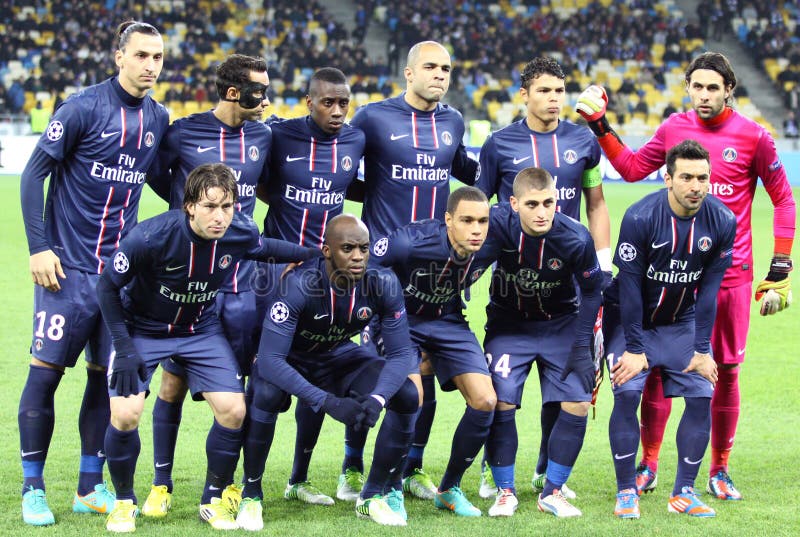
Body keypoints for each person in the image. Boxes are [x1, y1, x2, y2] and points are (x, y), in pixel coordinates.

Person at [577, 51, 796, 500]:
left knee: (725, 372)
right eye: (696, 86)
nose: (704, 95)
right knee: (656, 370)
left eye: (713, 87)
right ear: (688, 88)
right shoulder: (675, 128)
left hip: (728, 277)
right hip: (669, 280)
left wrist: (781, 265)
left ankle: (719, 469)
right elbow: (634, 169)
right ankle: (650, 464)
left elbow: (784, 200)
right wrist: (601, 126)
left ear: (729, 90)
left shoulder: (755, 137)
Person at [96, 163, 320, 532]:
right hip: (142, 329)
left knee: (234, 410)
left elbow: (265, 248)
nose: (220, 217)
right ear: (189, 206)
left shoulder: (238, 232)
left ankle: (212, 499)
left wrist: (317, 255)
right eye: (210, 206)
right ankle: (123, 502)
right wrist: (122, 346)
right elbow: (106, 286)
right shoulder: (150, 237)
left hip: (200, 329)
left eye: (227, 206)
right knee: (125, 414)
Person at [17, 21, 169, 527]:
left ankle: (89, 486)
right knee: (46, 372)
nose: (151, 65)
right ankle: (33, 488)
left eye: (159, 57)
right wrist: (40, 247)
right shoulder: (82, 108)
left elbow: (165, 183)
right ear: (119, 56)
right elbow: (33, 173)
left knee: (107, 378)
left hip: (118, 279)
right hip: (67, 270)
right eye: (142, 55)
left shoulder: (158, 118)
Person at [141, 53, 273, 517]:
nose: (267, 96)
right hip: (189, 282)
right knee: (172, 384)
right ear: (234, 91)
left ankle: (223, 485)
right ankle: (161, 482)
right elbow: (159, 178)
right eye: (260, 87)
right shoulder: (183, 132)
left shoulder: (263, 134)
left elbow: (270, 187)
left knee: (241, 390)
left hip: (243, 286)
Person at [475, 55, 611, 500]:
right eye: (545, 91)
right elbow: (484, 208)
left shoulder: (584, 141)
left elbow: (596, 203)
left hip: (571, 274)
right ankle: (493, 470)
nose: (555, 99)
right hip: (515, 280)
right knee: (505, 389)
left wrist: (603, 261)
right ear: (524, 95)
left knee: (563, 384)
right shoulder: (499, 144)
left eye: (560, 91)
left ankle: (545, 472)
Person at [350, 40, 479, 501]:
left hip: (437, 274)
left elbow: (468, 171)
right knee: (386, 373)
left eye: (446, 67)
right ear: (408, 73)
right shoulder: (372, 117)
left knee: (422, 375)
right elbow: (341, 170)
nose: (440, 74)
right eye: (431, 66)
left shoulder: (453, 121)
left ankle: (410, 468)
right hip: (385, 271)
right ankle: (353, 466)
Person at [237, 214, 418, 529]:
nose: (358, 256)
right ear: (327, 251)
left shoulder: (384, 283)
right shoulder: (299, 285)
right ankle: (251, 494)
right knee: (265, 393)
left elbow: (402, 353)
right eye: (348, 248)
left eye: (364, 248)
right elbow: (269, 360)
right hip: (288, 357)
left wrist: (377, 398)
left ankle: (371, 496)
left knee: (405, 395)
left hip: (336, 353)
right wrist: (329, 402)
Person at [252, 67, 366, 506]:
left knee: (316, 369)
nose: (337, 111)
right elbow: (261, 184)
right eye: (328, 103)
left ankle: (298, 479)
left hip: (330, 280)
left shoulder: (354, 140)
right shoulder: (280, 135)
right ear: (309, 102)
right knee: (264, 382)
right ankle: (247, 484)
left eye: (344, 104)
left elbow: (354, 186)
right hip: (274, 278)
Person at [604, 140, 736, 519]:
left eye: (703, 178)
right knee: (627, 392)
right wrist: (633, 348)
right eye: (687, 178)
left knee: (701, 391)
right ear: (668, 179)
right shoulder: (640, 217)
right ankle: (626, 490)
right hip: (632, 320)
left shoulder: (722, 221)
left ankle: (684, 492)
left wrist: (701, 348)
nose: (696, 186)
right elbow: (628, 287)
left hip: (680, 321)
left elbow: (709, 291)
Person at [481, 167, 603, 518]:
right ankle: (505, 491)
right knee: (500, 402)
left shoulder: (576, 237)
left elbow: (594, 290)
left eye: (548, 202)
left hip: (560, 325)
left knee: (578, 403)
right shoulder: (495, 225)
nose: (542, 212)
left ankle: (552, 491)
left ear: (557, 201)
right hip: (508, 325)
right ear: (514, 204)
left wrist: (582, 344)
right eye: (532, 204)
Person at [370, 186, 498, 517]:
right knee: (413, 397)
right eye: (467, 220)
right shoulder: (410, 241)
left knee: (485, 400)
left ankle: (449, 488)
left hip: (449, 322)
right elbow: (366, 265)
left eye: (482, 221)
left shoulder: (493, 241)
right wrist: (372, 322)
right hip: (403, 321)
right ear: (448, 220)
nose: (476, 230)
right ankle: (391, 488)